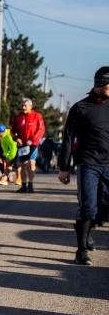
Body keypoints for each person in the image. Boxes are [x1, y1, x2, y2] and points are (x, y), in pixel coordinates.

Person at [58, 66, 109, 266]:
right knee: (87, 206)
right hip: (88, 163)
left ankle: (85, 230)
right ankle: (81, 251)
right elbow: (68, 138)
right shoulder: (81, 108)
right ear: (101, 84)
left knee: (104, 210)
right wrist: (64, 167)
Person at [11, 98, 45, 193]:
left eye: (25, 106)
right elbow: (12, 131)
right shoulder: (18, 118)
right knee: (22, 165)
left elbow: (41, 130)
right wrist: (16, 139)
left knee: (31, 162)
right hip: (22, 145)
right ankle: (23, 185)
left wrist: (32, 140)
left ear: (31, 106)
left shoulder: (37, 116)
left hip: (33, 144)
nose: (23, 107)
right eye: (22, 105)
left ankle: (30, 184)